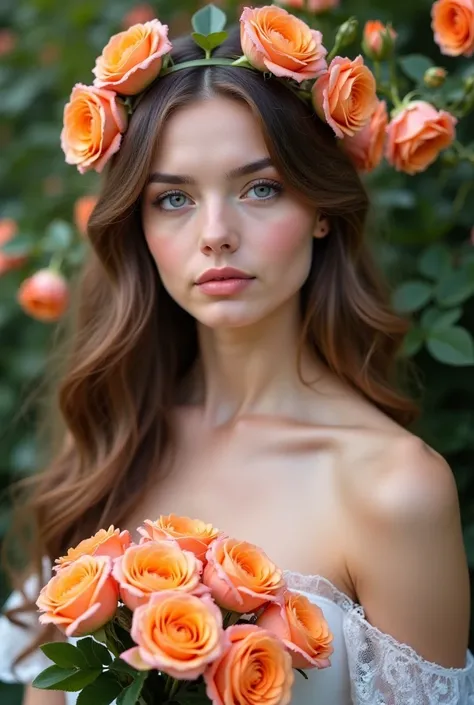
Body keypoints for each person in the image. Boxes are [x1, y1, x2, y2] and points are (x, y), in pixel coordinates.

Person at [0, 6, 472, 704]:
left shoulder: (395, 490)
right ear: (138, 223)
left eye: (260, 187)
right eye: (174, 198)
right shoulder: (111, 445)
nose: (216, 233)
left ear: (319, 207)